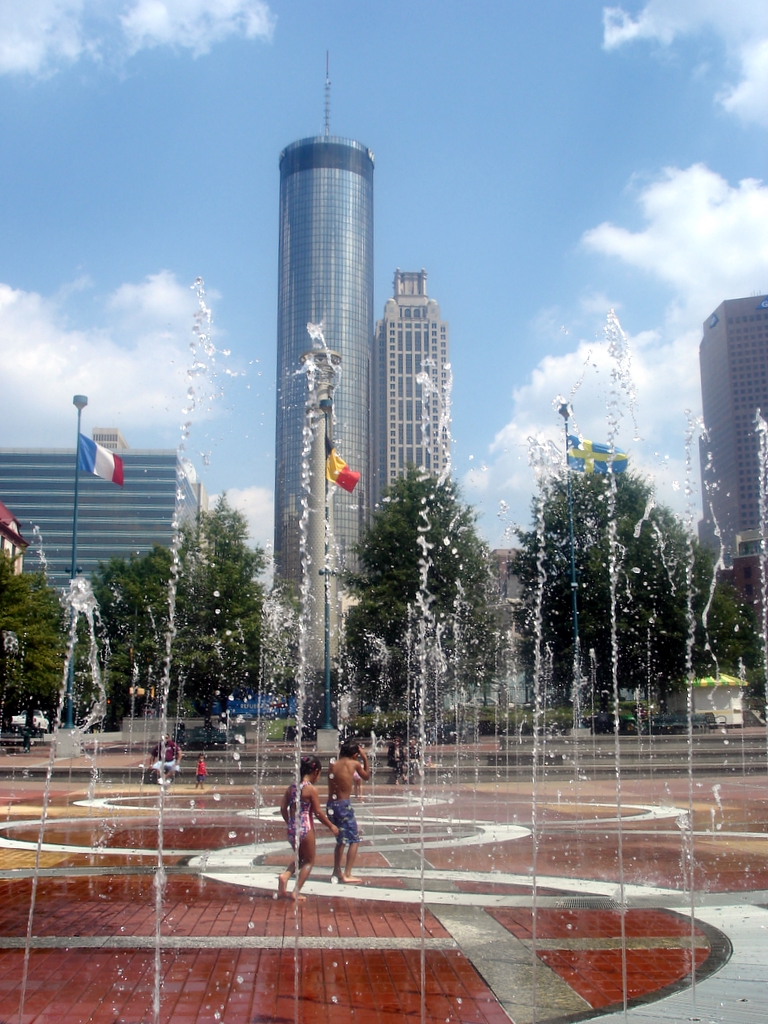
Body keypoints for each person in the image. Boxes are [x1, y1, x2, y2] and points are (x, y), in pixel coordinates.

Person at [278, 756, 338, 901]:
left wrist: (290, 823)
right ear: (315, 771)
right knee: (309, 861)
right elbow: (317, 812)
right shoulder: (311, 789)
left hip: (292, 828)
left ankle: (285, 875)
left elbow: (282, 808)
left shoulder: (291, 788)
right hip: (305, 827)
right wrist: (331, 826)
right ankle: (295, 891)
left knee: (300, 858)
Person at [326, 739, 370, 884]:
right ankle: (347, 873)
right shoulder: (354, 763)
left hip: (331, 805)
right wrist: (365, 758)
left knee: (341, 840)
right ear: (354, 754)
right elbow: (366, 776)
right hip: (344, 805)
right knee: (354, 839)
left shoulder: (333, 764)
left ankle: (336, 871)